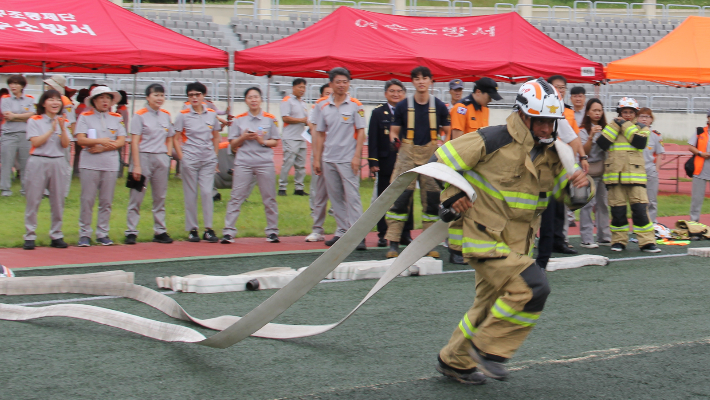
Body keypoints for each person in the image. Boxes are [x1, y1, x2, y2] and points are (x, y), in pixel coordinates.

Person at [435, 78, 592, 384]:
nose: (547, 129)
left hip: (518, 246)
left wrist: (582, 187)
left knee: (487, 306)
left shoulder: (553, 155)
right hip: (485, 240)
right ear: (522, 115)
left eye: (551, 122)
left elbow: (570, 199)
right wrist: (451, 197)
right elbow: (439, 161)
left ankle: (454, 361)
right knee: (534, 287)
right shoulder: (492, 139)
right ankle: (488, 350)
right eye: (541, 121)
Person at [385, 66, 451, 259]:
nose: (421, 82)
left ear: (431, 81)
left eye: (425, 78)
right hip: (407, 155)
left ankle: (428, 244)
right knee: (399, 199)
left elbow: (447, 130)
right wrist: (394, 140)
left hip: (431, 155)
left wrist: (443, 144)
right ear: (412, 82)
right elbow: (395, 130)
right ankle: (393, 243)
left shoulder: (439, 106)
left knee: (431, 202)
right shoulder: (403, 106)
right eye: (417, 78)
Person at [536, 75, 590, 269]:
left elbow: (574, 140)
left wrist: (572, 167)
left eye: (561, 88)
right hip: (528, 175)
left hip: (551, 175)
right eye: (555, 88)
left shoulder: (560, 116)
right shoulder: (526, 115)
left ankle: (545, 257)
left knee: (552, 215)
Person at [447, 77, 503, 264]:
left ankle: (472, 247)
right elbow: (456, 142)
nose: (490, 101)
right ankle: (455, 250)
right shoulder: (461, 109)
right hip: (460, 166)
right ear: (478, 92)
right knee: (459, 206)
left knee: (476, 208)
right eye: (489, 96)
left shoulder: (484, 109)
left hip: (477, 166)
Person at [312, 68, 367, 250]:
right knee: (335, 197)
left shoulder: (355, 105)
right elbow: (319, 134)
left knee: (352, 197)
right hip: (329, 158)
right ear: (331, 84)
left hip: (348, 158)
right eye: (338, 82)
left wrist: (357, 156)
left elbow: (360, 132)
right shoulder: (322, 106)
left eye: (345, 81)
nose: (342, 85)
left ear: (349, 83)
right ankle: (342, 232)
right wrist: (317, 159)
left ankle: (358, 235)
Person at [596, 97, 660, 252]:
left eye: (631, 112)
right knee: (617, 212)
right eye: (625, 112)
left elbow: (639, 142)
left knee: (640, 211)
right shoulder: (612, 127)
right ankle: (618, 241)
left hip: (635, 177)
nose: (628, 115)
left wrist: (623, 125)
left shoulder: (642, 128)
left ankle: (647, 242)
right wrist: (615, 126)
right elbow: (602, 143)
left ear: (635, 114)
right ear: (619, 112)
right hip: (615, 177)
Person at [222, 87, 280, 243]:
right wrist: (244, 137)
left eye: (256, 97)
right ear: (246, 101)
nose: (253, 100)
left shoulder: (270, 119)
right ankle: (228, 231)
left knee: (269, 198)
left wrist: (263, 141)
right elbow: (232, 143)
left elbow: (275, 141)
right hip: (244, 162)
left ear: (261, 99)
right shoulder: (239, 120)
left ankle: (272, 231)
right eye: (250, 97)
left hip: (264, 162)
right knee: (236, 196)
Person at [75, 86, 126, 247]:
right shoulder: (85, 116)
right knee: (87, 199)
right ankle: (84, 233)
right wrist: (100, 141)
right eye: (101, 98)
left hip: (109, 163)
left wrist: (104, 146)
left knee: (106, 200)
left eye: (108, 98)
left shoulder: (116, 117)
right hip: (90, 163)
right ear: (94, 101)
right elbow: (81, 139)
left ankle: (102, 233)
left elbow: (121, 140)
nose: (105, 101)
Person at [124, 83, 175, 245]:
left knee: (160, 196)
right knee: (136, 196)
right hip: (143, 157)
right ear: (148, 97)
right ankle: (131, 231)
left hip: (160, 158)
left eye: (161, 95)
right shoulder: (139, 116)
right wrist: (136, 165)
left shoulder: (166, 115)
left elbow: (170, 137)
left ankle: (160, 230)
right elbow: (134, 141)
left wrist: (167, 155)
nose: (159, 98)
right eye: (156, 95)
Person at [22, 90, 72, 250]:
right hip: (38, 161)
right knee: (33, 199)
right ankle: (30, 235)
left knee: (58, 200)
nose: (55, 103)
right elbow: (36, 142)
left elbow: (65, 144)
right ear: (44, 103)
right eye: (51, 99)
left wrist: (63, 129)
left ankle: (56, 234)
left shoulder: (63, 120)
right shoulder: (34, 120)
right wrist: (51, 129)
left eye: (58, 100)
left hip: (58, 161)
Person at [367, 79, 414, 248]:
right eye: (392, 91)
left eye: (399, 91)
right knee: (384, 199)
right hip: (386, 162)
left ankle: (405, 233)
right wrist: (373, 161)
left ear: (404, 93)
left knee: (406, 198)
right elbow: (373, 139)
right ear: (386, 93)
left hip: (406, 161)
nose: (396, 94)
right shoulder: (378, 113)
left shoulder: (410, 112)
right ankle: (383, 234)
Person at [173, 82, 221, 243]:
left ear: (203, 96)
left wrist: (214, 155)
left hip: (207, 158)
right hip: (190, 158)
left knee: (207, 193)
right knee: (191, 194)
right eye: (191, 95)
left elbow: (215, 136)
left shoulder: (212, 114)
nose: (194, 98)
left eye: (197, 94)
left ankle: (208, 228)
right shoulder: (183, 115)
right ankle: (192, 229)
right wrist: (182, 158)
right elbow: (176, 138)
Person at [578, 98, 611, 248]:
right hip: (588, 171)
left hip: (603, 172)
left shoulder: (607, 129)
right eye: (594, 110)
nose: (597, 113)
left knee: (603, 204)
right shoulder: (582, 130)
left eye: (600, 110)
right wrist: (591, 135)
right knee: (587, 205)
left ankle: (604, 236)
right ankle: (586, 238)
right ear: (588, 112)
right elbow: (584, 152)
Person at [304, 83, 332, 243]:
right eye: (326, 93)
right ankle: (317, 229)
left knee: (342, 195)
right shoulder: (318, 107)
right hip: (320, 155)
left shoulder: (347, 106)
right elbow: (314, 131)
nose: (328, 96)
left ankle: (344, 229)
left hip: (338, 155)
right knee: (319, 194)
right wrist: (316, 157)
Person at [43, 75, 77, 198]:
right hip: (51, 134)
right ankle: (47, 190)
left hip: (63, 135)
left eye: (49, 85)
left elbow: (72, 122)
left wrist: (72, 139)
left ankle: (63, 192)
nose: (47, 87)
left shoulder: (66, 103)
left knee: (64, 165)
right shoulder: (51, 100)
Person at [1, 75, 35, 197]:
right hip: (9, 135)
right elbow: (7, 116)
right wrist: (24, 116)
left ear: (22, 86)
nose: (13, 86)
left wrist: (15, 116)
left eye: (16, 83)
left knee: (26, 163)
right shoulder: (5, 99)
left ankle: (25, 189)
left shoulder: (30, 99)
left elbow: (32, 115)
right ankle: (5, 189)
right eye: (11, 83)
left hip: (25, 135)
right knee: (6, 162)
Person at [278, 78, 309, 197]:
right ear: (293, 87)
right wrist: (302, 120)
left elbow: (305, 120)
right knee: (288, 162)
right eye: (300, 87)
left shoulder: (303, 103)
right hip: (290, 137)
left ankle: (299, 188)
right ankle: (282, 187)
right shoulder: (287, 100)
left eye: (304, 87)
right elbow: (285, 118)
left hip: (301, 137)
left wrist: (308, 122)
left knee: (301, 164)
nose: (302, 90)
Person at [638, 108, 664, 223]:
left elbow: (659, 154)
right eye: (641, 116)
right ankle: (640, 224)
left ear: (651, 119)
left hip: (650, 170)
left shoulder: (655, 135)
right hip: (636, 171)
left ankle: (652, 223)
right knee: (638, 201)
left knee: (651, 200)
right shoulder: (633, 133)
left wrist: (656, 170)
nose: (644, 119)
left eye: (647, 117)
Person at [688, 110, 710, 222]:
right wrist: (701, 153)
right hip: (700, 169)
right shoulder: (700, 131)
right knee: (697, 199)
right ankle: (694, 224)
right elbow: (691, 146)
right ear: (708, 118)